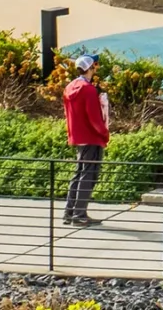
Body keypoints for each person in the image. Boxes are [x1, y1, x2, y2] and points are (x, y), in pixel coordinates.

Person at [62, 55, 110, 226]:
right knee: (88, 175)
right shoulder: (88, 90)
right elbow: (94, 118)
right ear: (90, 68)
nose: (96, 68)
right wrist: (104, 133)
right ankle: (79, 214)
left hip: (78, 136)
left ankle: (70, 212)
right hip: (91, 137)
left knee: (79, 173)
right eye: (95, 65)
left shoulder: (70, 87)